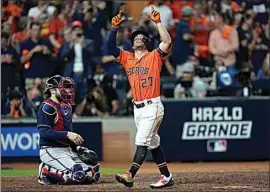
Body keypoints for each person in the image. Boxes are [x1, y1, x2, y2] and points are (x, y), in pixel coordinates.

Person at [106, 7, 174, 189]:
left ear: (147, 42)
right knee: (153, 143)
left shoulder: (154, 56)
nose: (136, 38)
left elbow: (167, 41)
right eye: (134, 37)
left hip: (152, 106)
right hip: (138, 108)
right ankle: (166, 176)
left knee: (141, 140)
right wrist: (114, 29)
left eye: (140, 37)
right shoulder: (127, 57)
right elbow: (109, 48)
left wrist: (158, 22)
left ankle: (130, 175)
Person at [36, 75, 100, 185]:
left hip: (67, 150)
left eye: (68, 87)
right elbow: (44, 133)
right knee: (77, 175)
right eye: (63, 87)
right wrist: (68, 135)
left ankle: (57, 172)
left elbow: (65, 132)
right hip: (51, 150)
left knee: (92, 172)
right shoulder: (47, 106)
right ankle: (45, 170)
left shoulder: (67, 106)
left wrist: (76, 147)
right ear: (52, 90)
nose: (68, 90)